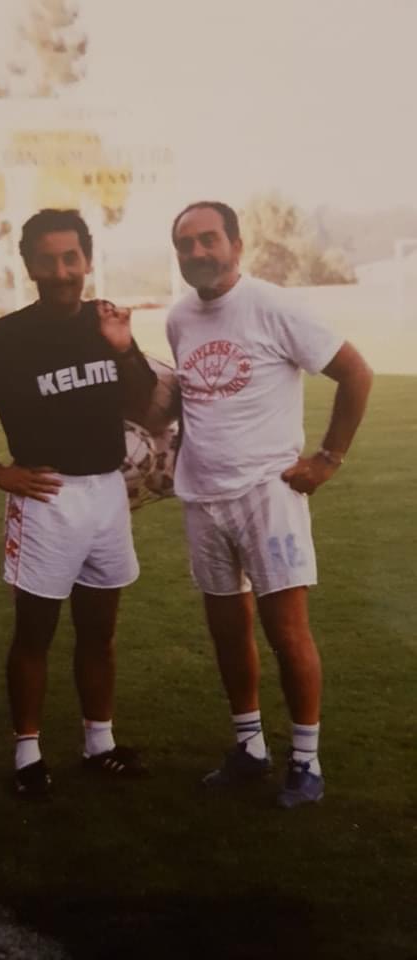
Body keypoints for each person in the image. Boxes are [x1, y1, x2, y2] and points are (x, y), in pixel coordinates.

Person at [0, 208, 156, 797]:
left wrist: (124, 348)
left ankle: (99, 744)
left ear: (87, 260)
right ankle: (27, 754)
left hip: (108, 494)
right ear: (29, 265)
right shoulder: (3, 340)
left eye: (70, 258)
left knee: (99, 631)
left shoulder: (105, 323)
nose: (61, 272)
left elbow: (145, 402)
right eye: (47, 260)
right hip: (47, 499)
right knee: (35, 633)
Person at [167, 201, 373, 808]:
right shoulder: (179, 318)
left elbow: (356, 373)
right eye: (186, 244)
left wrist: (328, 459)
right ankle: (249, 748)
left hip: (267, 494)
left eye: (209, 240)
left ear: (236, 244)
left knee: (287, 632)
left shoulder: (272, 305)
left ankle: (305, 763)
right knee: (228, 633)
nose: (198, 252)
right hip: (202, 497)